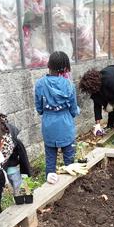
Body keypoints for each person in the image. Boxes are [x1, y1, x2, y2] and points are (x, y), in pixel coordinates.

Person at [35, 51, 82, 184]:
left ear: (49, 65)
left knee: (50, 159)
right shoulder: (68, 85)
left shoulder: (40, 84)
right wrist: (74, 112)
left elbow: (39, 109)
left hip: (48, 125)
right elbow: (73, 109)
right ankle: (70, 185)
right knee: (69, 157)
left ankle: (50, 187)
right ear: (64, 67)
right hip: (65, 124)